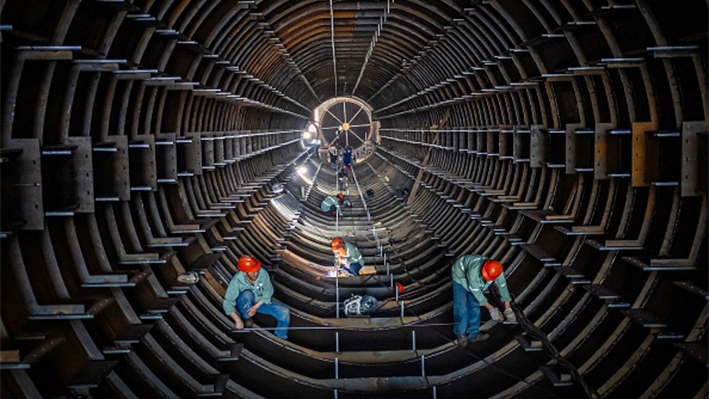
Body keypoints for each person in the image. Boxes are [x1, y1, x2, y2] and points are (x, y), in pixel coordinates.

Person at [451, 255, 515, 347]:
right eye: (482, 274)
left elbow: (502, 287)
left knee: (474, 305)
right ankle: (461, 333)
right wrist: (491, 309)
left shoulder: (497, 271)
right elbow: (477, 293)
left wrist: (508, 308)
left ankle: (473, 334)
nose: (482, 276)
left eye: (484, 276)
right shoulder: (473, 272)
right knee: (461, 306)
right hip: (460, 275)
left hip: (472, 279)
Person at [223, 255, 290, 340]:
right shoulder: (237, 281)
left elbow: (268, 293)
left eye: (256, 271)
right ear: (244, 272)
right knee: (247, 294)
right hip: (245, 304)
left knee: (284, 311)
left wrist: (255, 307)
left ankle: (281, 336)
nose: (256, 274)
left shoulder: (262, 273)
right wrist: (237, 320)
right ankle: (246, 318)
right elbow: (228, 302)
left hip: (259, 303)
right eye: (252, 272)